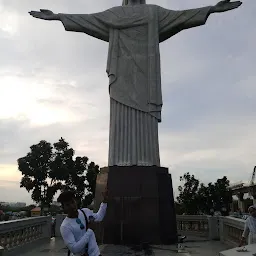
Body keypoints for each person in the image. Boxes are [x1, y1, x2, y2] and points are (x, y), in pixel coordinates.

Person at [57, 190, 108, 256]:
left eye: (72, 202)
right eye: (67, 205)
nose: (72, 206)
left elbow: (99, 217)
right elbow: (74, 249)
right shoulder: (65, 226)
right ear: (63, 208)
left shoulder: (85, 212)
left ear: (76, 201)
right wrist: (90, 230)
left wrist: (105, 201)